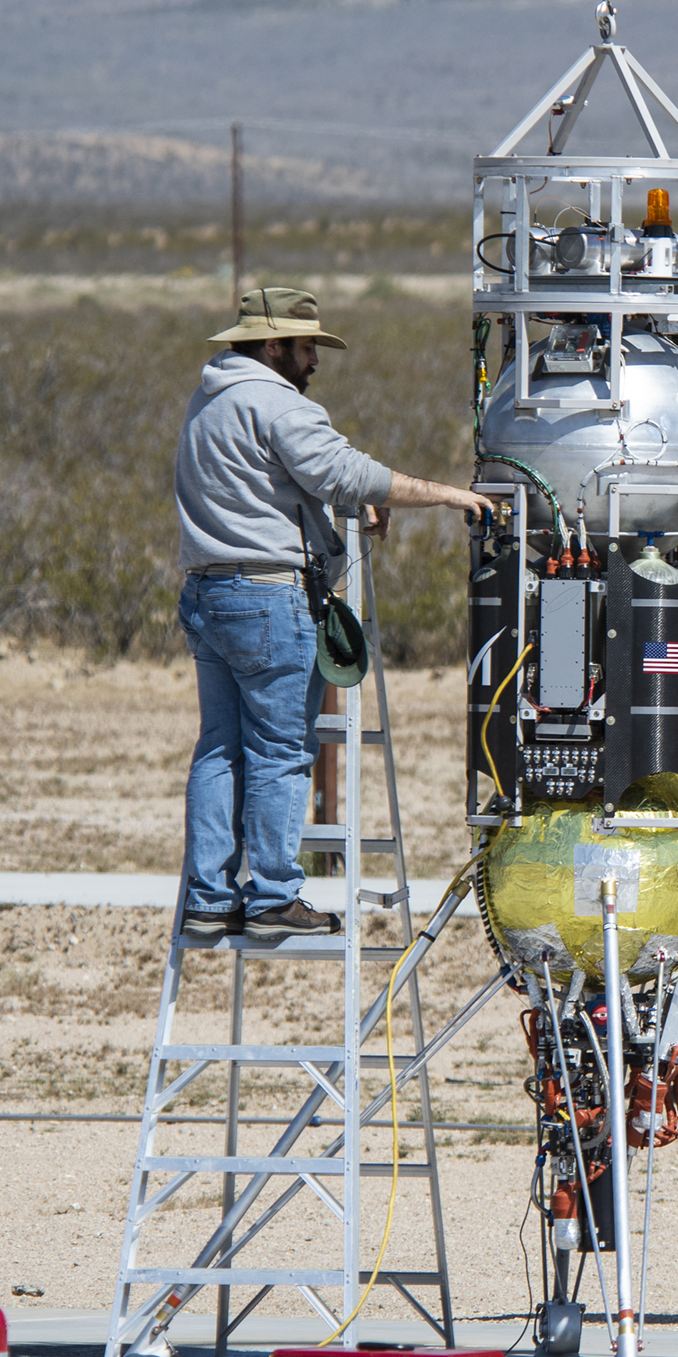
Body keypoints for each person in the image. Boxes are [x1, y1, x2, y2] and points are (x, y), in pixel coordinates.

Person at [175, 286, 484, 947]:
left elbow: (269, 492)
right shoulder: (276, 403)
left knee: (219, 751)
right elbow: (341, 471)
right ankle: (274, 898)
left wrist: (330, 519)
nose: (313, 359)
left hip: (209, 595)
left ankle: (208, 898)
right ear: (272, 345)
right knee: (281, 753)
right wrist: (447, 495)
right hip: (268, 601)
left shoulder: (208, 401)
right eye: (306, 345)